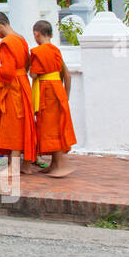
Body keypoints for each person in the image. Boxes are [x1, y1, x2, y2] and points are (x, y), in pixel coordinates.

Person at [0, 12, 38, 174]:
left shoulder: (6, 42)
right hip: (23, 82)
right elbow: (27, 64)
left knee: (13, 123)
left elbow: (8, 71)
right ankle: (22, 163)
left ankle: (14, 165)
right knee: (23, 122)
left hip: (12, 86)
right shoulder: (20, 39)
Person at [30, 20, 76, 178]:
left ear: (37, 34)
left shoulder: (39, 51)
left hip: (47, 91)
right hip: (58, 90)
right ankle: (55, 163)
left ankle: (61, 164)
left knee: (50, 126)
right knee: (57, 124)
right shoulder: (56, 50)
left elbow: (34, 74)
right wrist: (66, 96)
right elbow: (67, 76)